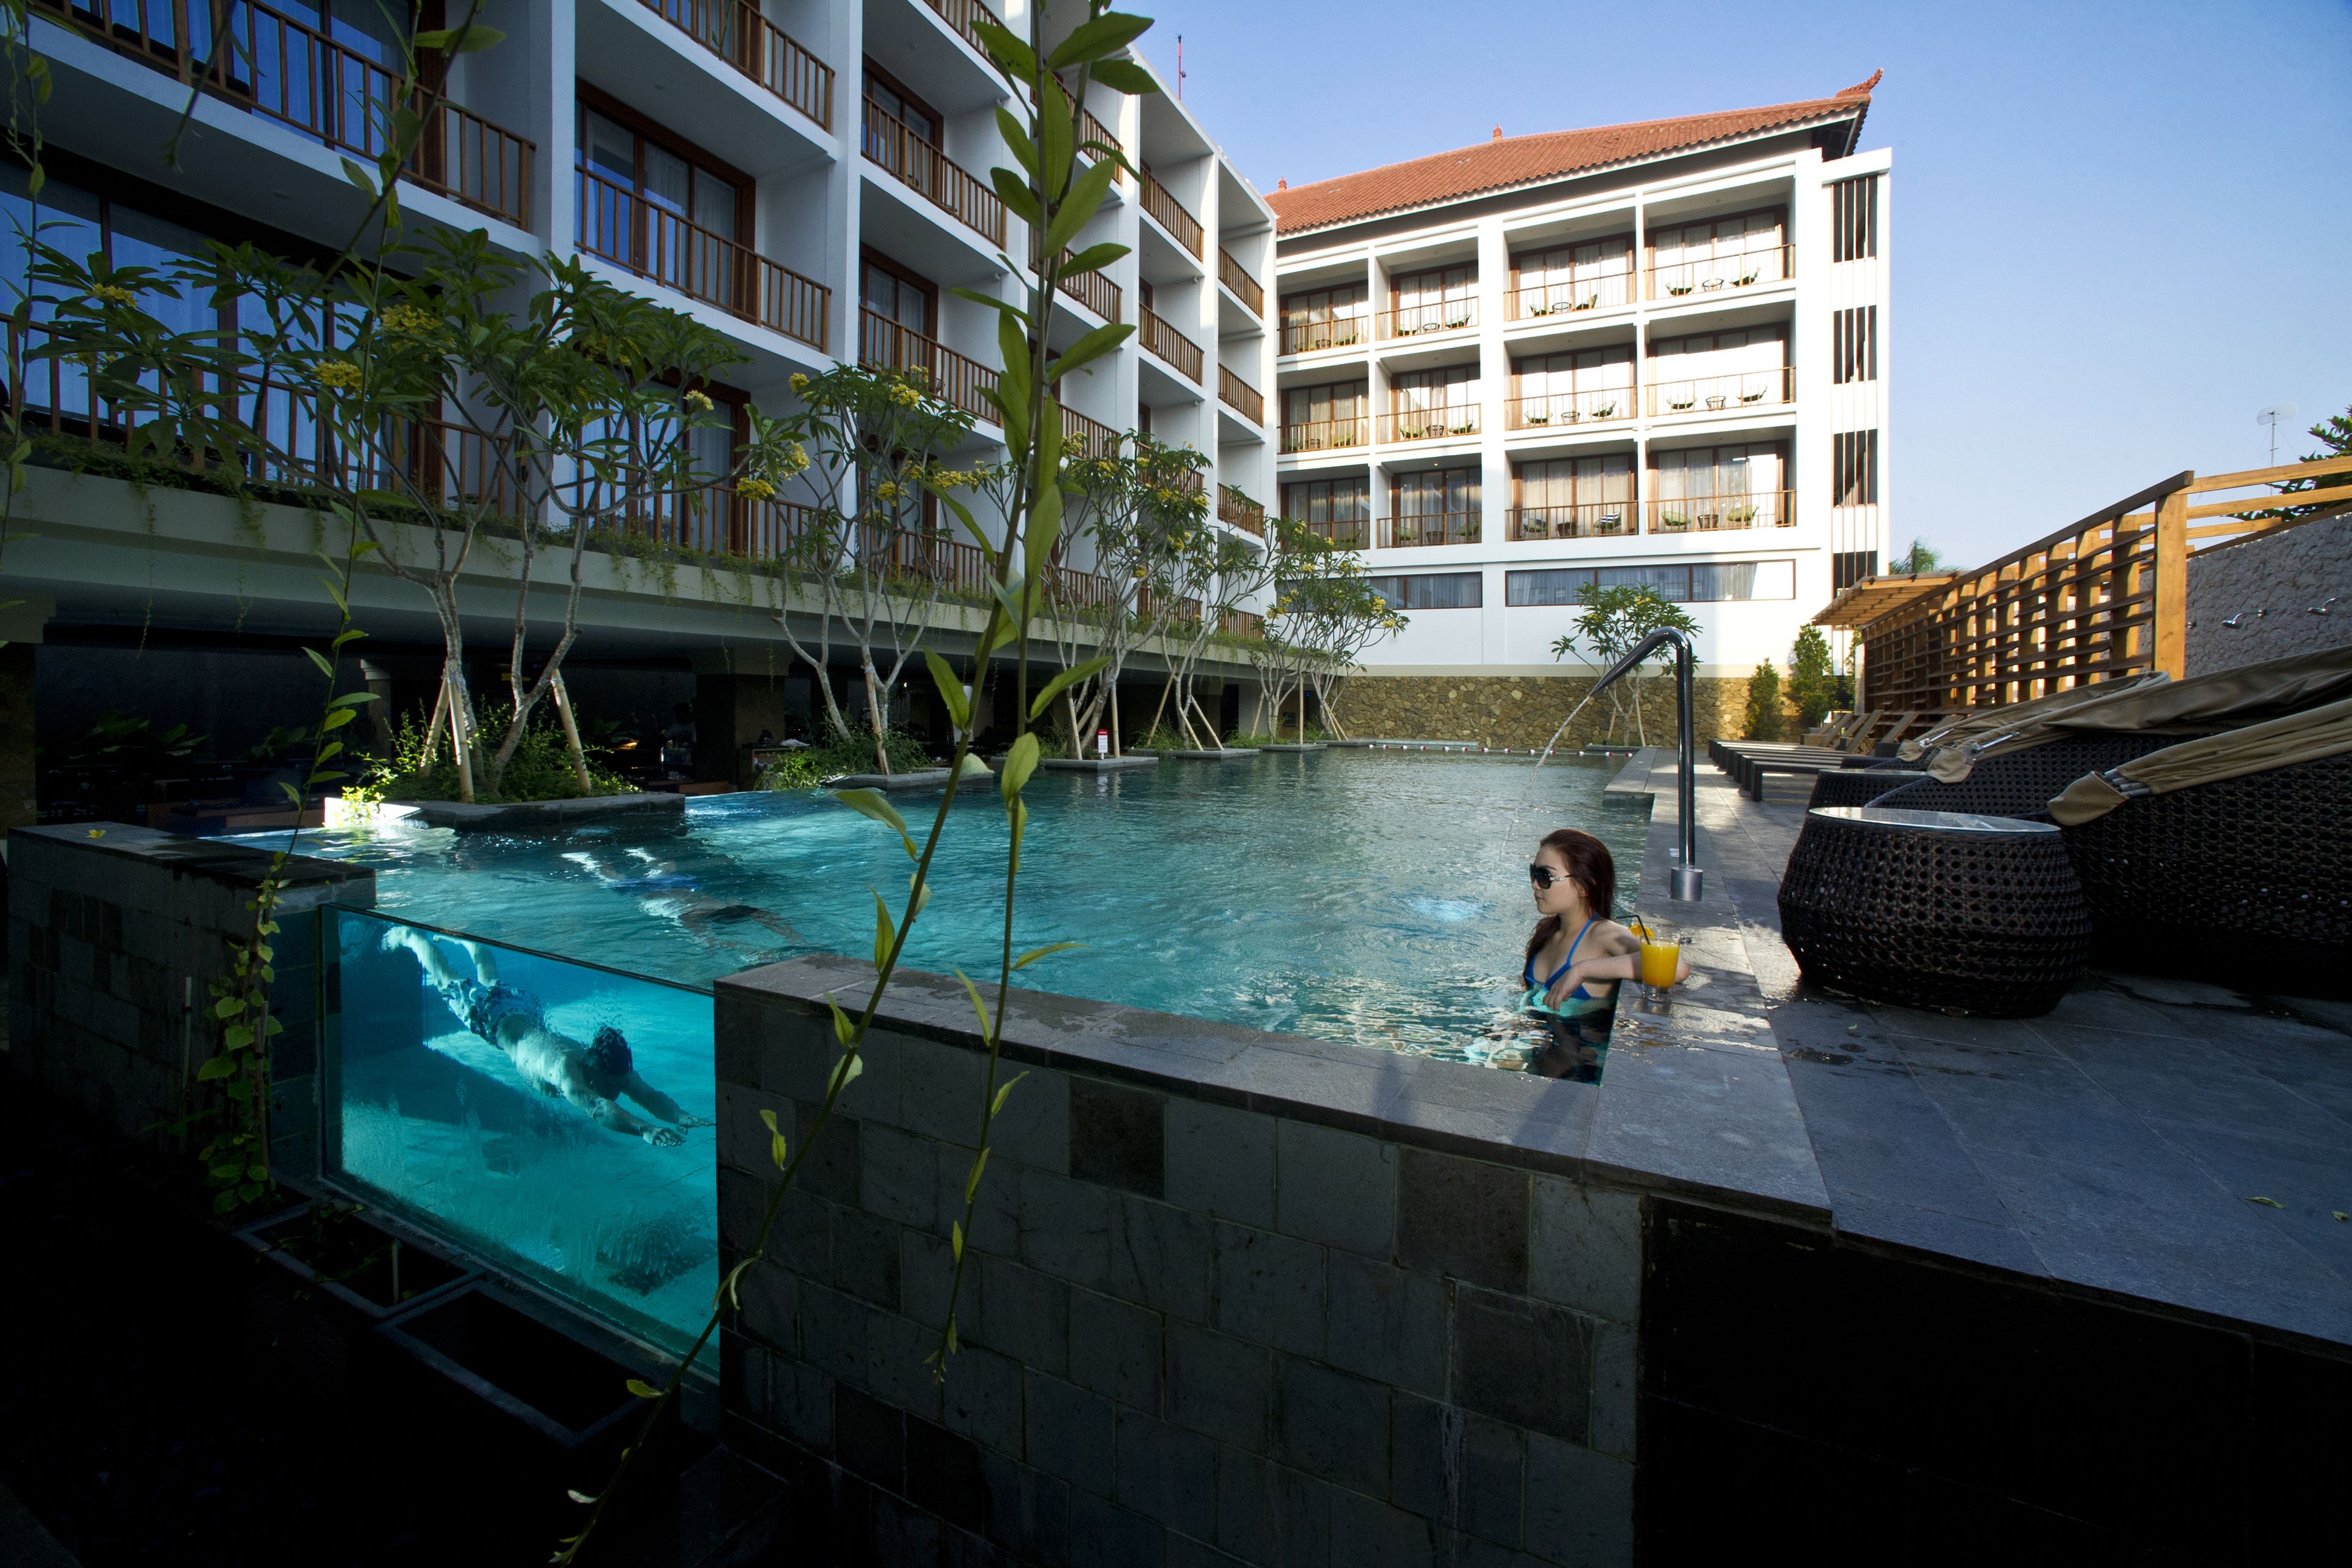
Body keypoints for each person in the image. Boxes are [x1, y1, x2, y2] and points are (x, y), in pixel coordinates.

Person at [380, 925, 711, 1147]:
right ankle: (412, 938)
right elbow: (598, 1108)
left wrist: (679, 1115)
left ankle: (467, 939)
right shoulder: (564, 1070)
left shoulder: (610, 1066)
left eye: (619, 1083)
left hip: (524, 1009)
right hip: (493, 1017)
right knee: (447, 980)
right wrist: (646, 1129)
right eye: (613, 1085)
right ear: (592, 1069)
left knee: (491, 981)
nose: (617, 1091)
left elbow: (649, 1095)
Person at [562, 845, 799, 952]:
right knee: (611, 876)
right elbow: (709, 942)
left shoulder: (721, 906)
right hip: (655, 892)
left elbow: (763, 916)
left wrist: (791, 938)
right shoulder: (691, 917)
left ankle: (639, 853)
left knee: (665, 869)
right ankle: (588, 860)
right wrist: (787, 940)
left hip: (675, 889)